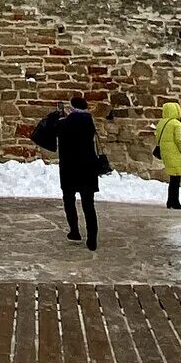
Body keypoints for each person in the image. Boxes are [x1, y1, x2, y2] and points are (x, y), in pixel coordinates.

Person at [55, 94, 101, 251]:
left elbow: (55, 134)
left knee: (69, 200)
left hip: (69, 168)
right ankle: (92, 238)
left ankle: (74, 231)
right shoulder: (90, 122)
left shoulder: (64, 124)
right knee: (89, 205)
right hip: (88, 168)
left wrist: (61, 116)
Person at [155, 101, 181, 209]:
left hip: (166, 153)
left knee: (173, 179)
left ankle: (170, 201)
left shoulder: (161, 123)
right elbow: (179, 140)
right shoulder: (176, 124)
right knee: (175, 179)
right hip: (175, 154)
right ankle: (174, 202)